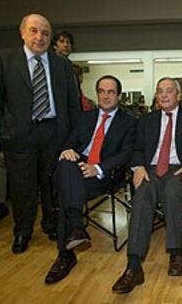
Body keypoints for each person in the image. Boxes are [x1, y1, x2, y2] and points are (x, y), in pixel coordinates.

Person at [0, 13, 81, 254]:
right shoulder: (3, 60)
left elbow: (72, 104)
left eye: (45, 33)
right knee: (22, 187)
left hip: (54, 134)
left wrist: (71, 137)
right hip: (19, 136)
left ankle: (51, 225)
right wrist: (2, 130)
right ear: (22, 33)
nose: (40, 37)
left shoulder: (62, 64)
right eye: (34, 31)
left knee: (52, 185)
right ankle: (22, 231)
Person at [44, 75, 137, 284]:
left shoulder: (129, 121)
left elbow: (127, 153)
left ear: (119, 96)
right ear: (97, 94)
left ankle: (65, 254)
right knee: (65, 164)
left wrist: (98, 168)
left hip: (105, 175)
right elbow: (70, 142)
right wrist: (67, 150)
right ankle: (75, 227)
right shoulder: (84, 117)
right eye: (102, 91)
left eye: (111, 92)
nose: (106, 96)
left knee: (65, 195)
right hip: (77, 170)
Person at [112, 77, 182, 294]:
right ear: (157, 96)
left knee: (172, 192)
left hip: (178, 168)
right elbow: (137, 147)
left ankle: (176, 253)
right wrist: (137, 167)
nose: (164, 95)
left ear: (178, 95)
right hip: (150, 169)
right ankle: (133, 265)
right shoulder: (146, 120)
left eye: (169, 91)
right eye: (160, 91)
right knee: (142, 195)